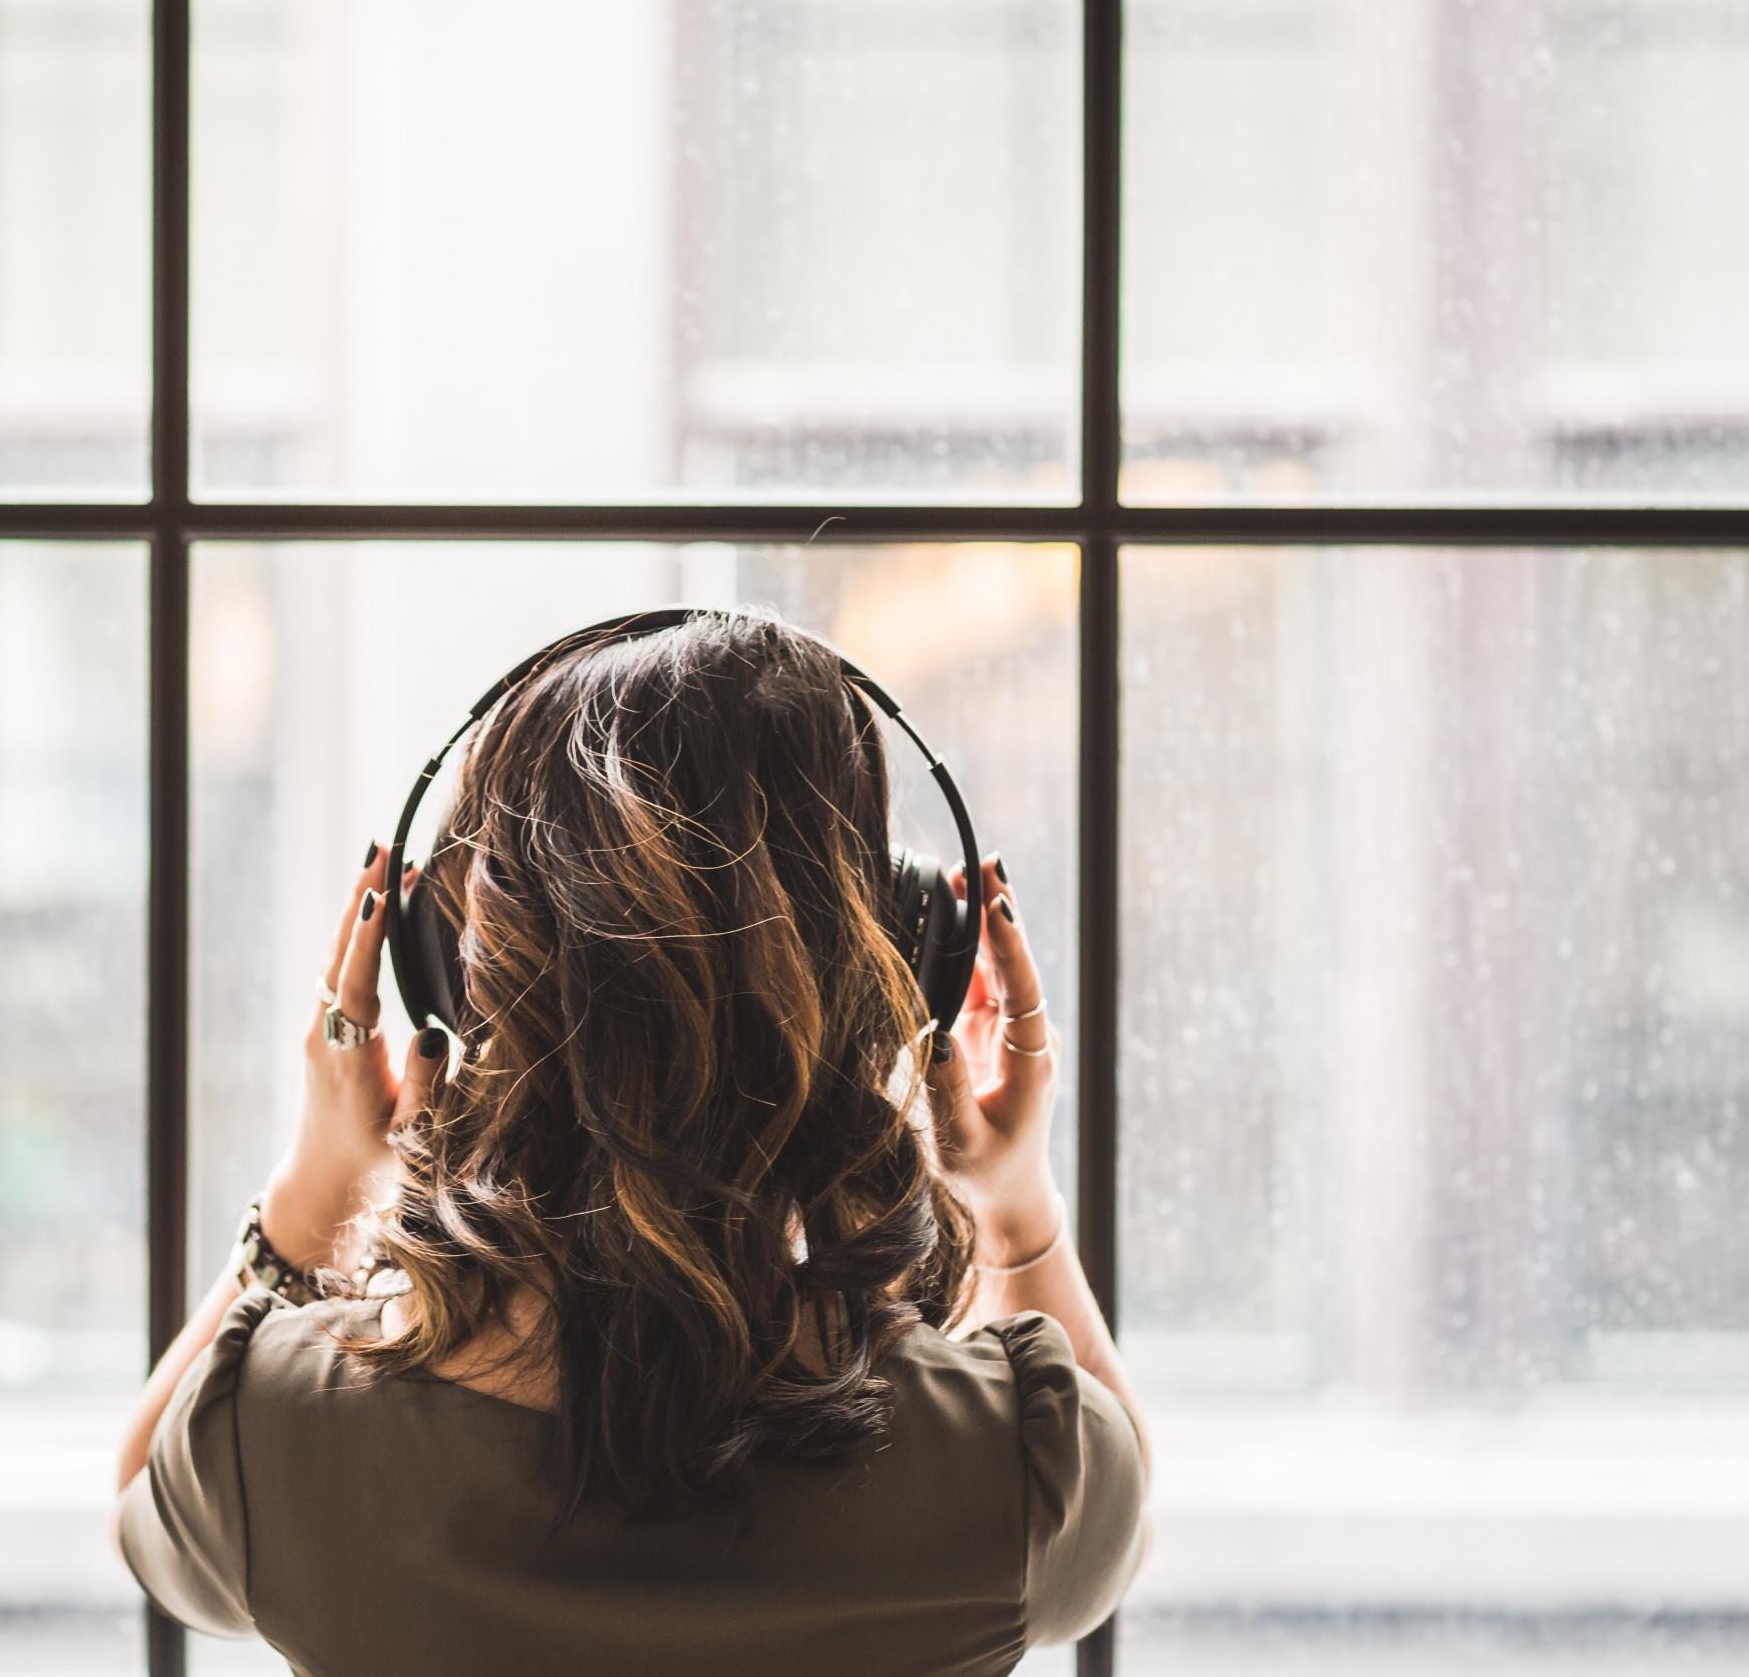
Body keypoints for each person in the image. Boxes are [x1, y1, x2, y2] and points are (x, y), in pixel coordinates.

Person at [113, 608, 1152, 1676]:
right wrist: (1015, 1203)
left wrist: (317, 1185)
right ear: (904, 956)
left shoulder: (278, 1438)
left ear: (444, 973)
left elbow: (145, 1501)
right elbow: (1115, 1523)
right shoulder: (1015, 1466)